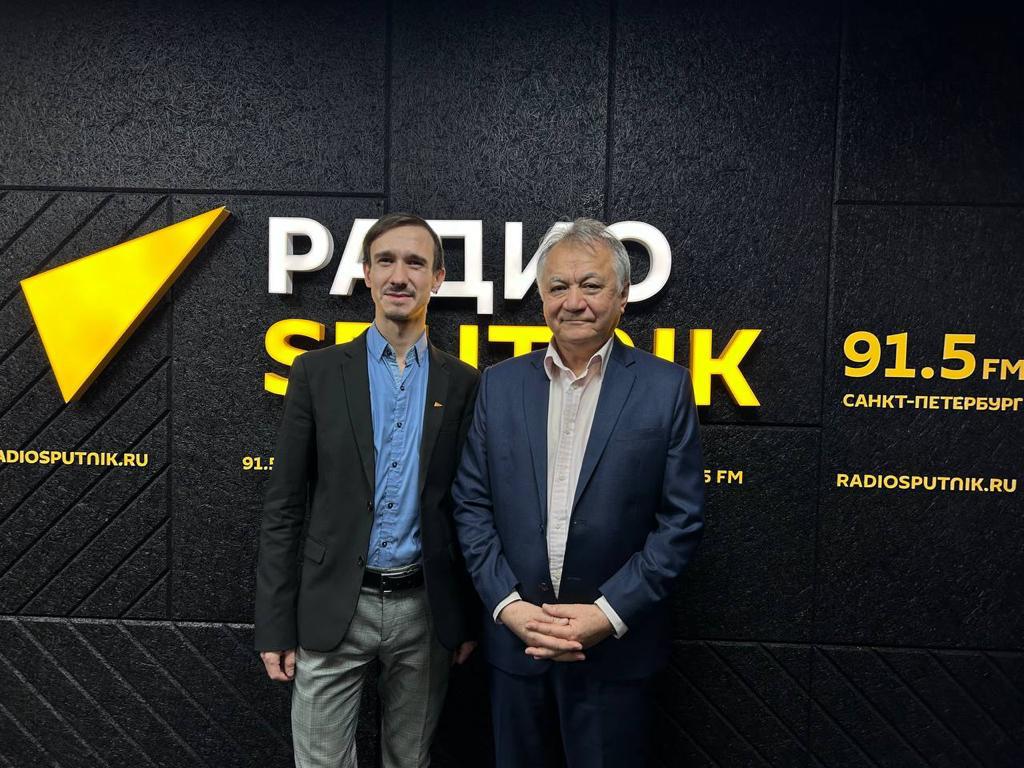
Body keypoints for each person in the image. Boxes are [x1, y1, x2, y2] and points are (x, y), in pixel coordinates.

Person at [452, 218, 705, 767]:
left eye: (591, 285)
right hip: (517, 649)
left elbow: (681, 521)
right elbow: (471, 505)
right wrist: (508, 606)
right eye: (558, 287)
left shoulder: (666, 388)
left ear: (622, 296)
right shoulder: (498, 385)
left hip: (616, 655)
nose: (574, 302)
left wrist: (608, 614)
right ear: (542, 297)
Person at [255, 213, 480, 768]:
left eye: (416, 263)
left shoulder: (464, 382)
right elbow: (284, 505)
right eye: (386, 261)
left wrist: (465, 617)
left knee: (411, 760)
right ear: (366, 274)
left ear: (438, 279)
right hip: (333, 605)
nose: (400, 275)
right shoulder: (317, 372)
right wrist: (275, 623)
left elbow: (470, 508)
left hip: (425, 612)